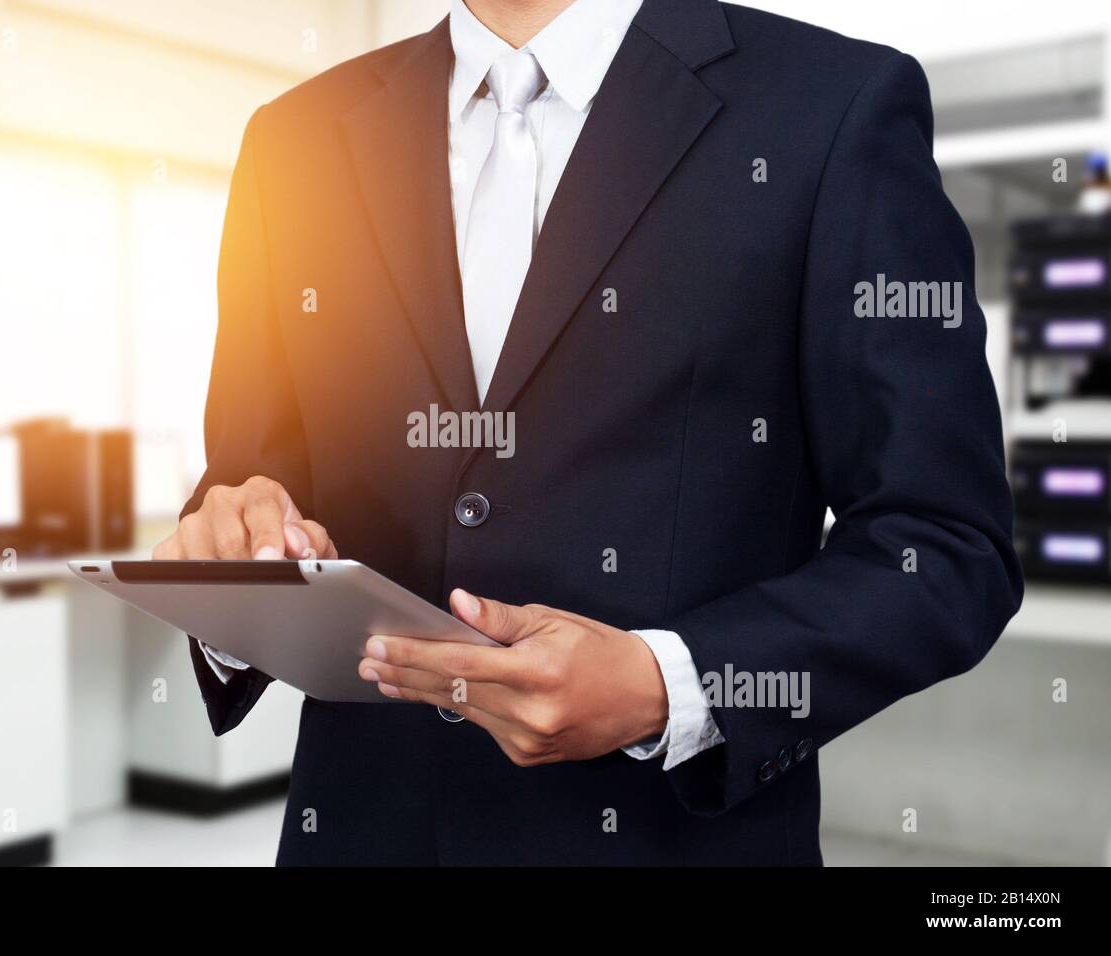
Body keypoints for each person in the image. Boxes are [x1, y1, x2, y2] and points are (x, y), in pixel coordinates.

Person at [155, 0, 1023, 865]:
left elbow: (946, 543)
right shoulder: (295, 141)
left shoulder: (830, 106)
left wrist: (668, 685)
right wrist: (234, 562)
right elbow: (247, 484)